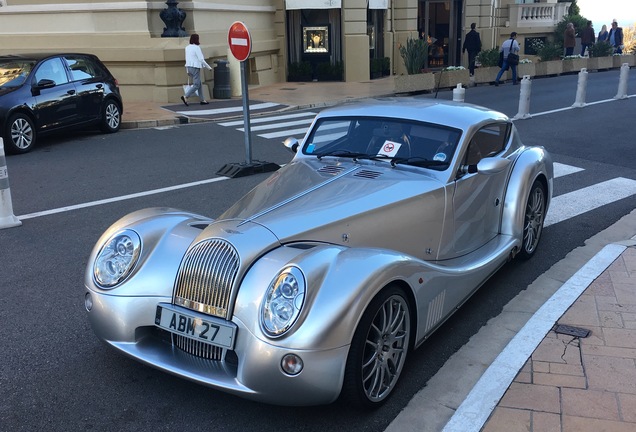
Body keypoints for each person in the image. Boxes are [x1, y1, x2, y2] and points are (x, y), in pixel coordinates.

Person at [181, 33, 213, 106]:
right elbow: (201, 59)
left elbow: (187, 58)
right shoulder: (197, 48)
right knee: (196, 84)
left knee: (199, 83)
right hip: (195, 67)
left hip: (189, 67)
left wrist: (187, 70)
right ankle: (186, 96)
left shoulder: (187, 47)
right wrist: (209, 67)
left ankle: (202, 100)